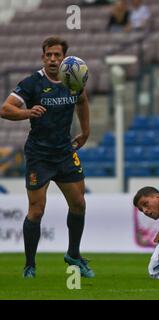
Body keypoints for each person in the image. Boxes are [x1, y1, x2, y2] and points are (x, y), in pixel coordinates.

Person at [0, 36, 94, 278]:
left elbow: (82, 101)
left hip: (64, 153)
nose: (53, 59)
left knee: (79, 204)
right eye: (49, 55)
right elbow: (5, 109)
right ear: (43, 57)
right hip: (39, 156)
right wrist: (27, 112)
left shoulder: (73, 80)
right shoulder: (32, 83)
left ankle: (74, 254)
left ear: (64, 58)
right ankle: (29, 265)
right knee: (36, 210)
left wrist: (85, 131)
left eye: (57, 55)